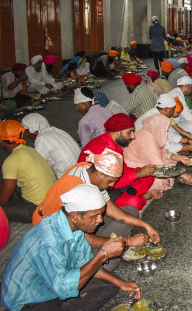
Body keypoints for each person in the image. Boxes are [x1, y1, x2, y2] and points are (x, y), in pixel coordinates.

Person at [1, 184, 141, 311]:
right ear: (75, 215)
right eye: (95, 216)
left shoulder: (74, 227)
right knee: (73, 288)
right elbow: (63, 287)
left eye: (101, 214)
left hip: (55, 283)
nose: (100, 220)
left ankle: (69, 300)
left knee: (111, 285)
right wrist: (103, 254)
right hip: (30, 298)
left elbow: (85, 261)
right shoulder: (49, 240)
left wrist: (121, 283)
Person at [32, 149, 158, 268]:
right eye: (110, 181)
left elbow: (112, 210)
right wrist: (128, 241)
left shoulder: (89, 172)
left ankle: (106, 243)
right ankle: (98, 250)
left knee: (131, 210)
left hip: (84, 224)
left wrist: (145, 225)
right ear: (99, 174)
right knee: (107, 264)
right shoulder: (75, 185)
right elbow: (81, 236)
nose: (112, 185)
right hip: (54, 235)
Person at [78, 113, 157, 213]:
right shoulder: (103, 149)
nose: (133, 136)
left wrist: (141, 171)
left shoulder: (116, 145)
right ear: (116, 132)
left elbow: (123, 169)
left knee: (149, 176)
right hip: (104, 189)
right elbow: (111, 182)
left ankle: (131, 197)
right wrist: (137, 174)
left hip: (115, 183)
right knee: (134, 202)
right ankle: (143, 197)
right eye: (129, 132)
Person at [124, 113, 192, 197]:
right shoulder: (146, 138)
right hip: (134, 170)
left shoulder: (148, 132)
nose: (166, 132)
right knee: (161, 180)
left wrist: (180, 158)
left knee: (170, 161)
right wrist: (182, 173)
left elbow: (161, 152)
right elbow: (160, 168)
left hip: (146, 163)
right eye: (165, 129)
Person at [0, 120, 56, 223]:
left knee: (1, 209)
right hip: (53, 201)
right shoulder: (29, 150)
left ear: (1, 140)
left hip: (37, 208)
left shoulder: (11, 161)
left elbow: (3, 200)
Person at [21, 113, 80, 178]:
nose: (26, 135)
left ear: (34, 130)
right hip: (81, 169)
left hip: (70, 176)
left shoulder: (42, 139)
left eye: (26, 131)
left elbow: (38, 164)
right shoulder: (56, 130)